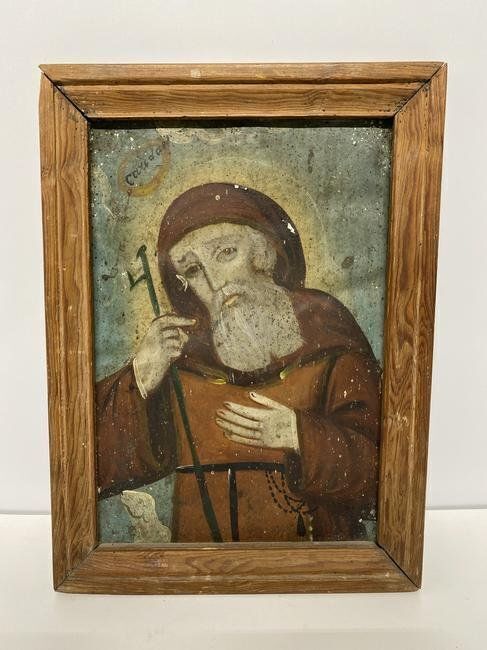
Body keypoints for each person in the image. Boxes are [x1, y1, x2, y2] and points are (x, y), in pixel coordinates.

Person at [96, 182, 380, 543]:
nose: (214, 283)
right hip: (201, 566)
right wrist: (141, 375)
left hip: (309, 561)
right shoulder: (183, 359)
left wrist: (299, 435)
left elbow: (382, 475)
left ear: (264, 252)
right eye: (193, 270)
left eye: (225, 253)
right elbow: (90, 466)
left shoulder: (327, 336)